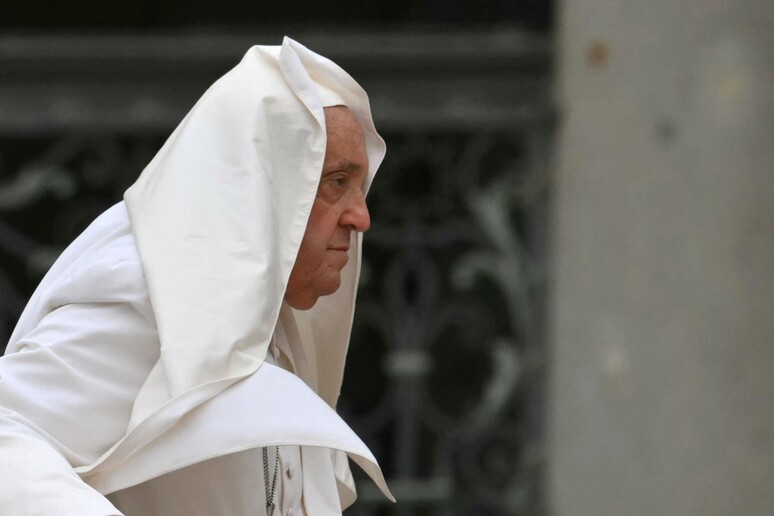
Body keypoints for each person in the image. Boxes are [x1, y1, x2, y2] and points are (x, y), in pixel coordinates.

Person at [0, 37, 393, 515]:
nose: (361, 218)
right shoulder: (154, 294)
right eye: (337, 182)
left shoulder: (277, 324)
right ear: (264, 184)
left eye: (361, 187)